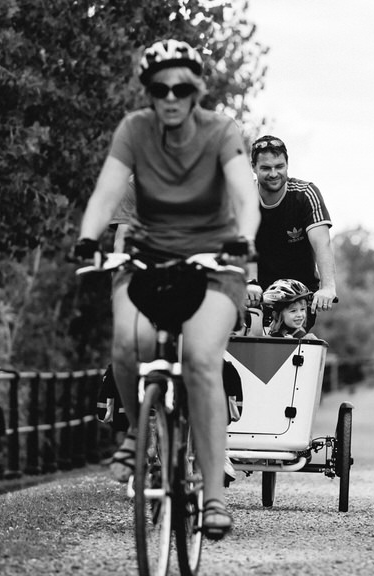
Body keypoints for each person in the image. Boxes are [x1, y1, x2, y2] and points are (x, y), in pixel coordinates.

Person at [74, 38, 259, 539]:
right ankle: (139, 430)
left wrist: (243, 240)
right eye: (160, 88)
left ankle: (215, 498)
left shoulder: (221, 131)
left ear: (196, 90)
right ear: (149, 93)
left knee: (201, 358)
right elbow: (106, 192)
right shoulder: (134, 131)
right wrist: (89, 239)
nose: (171, 97)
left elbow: (246, 194)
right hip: (148, 257)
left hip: (215, 261)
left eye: (181, 88)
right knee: (126, 342)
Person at [246, 135, 336, 326]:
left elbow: (322, 244)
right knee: (247, 337)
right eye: (265, 168)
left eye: (279, 167)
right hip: (258, 294)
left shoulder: (305, 194)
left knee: (291, 340)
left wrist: (328, 287)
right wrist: (250, 282)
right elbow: (245, 243)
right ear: (253, 167)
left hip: (298, 297)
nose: (273, 173)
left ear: (287, 164)